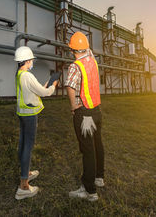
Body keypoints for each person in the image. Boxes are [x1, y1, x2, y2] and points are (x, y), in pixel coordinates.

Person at [64, 31, 105, 202]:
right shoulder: (92, 60)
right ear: (87, 48)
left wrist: (73, 105)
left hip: (85, 114)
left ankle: (89, 191)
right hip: (96, 111)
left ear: (72, 49)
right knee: (97, 144)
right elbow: (86, 50)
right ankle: (99, 177)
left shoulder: (75, 66)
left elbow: (70, 87)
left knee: (87, 151)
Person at [14, 46, 58, 200]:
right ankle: (24, 186)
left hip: (22, 113)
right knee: (28, 147)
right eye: (31, 59)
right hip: (30, 115)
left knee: (23, 144)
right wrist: (53, 86)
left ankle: (26, 172)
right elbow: (45, 93)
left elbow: (36, 90)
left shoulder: (19, 74)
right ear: (26, 61)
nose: (32, 62)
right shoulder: (28, 76)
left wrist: (45, 84)